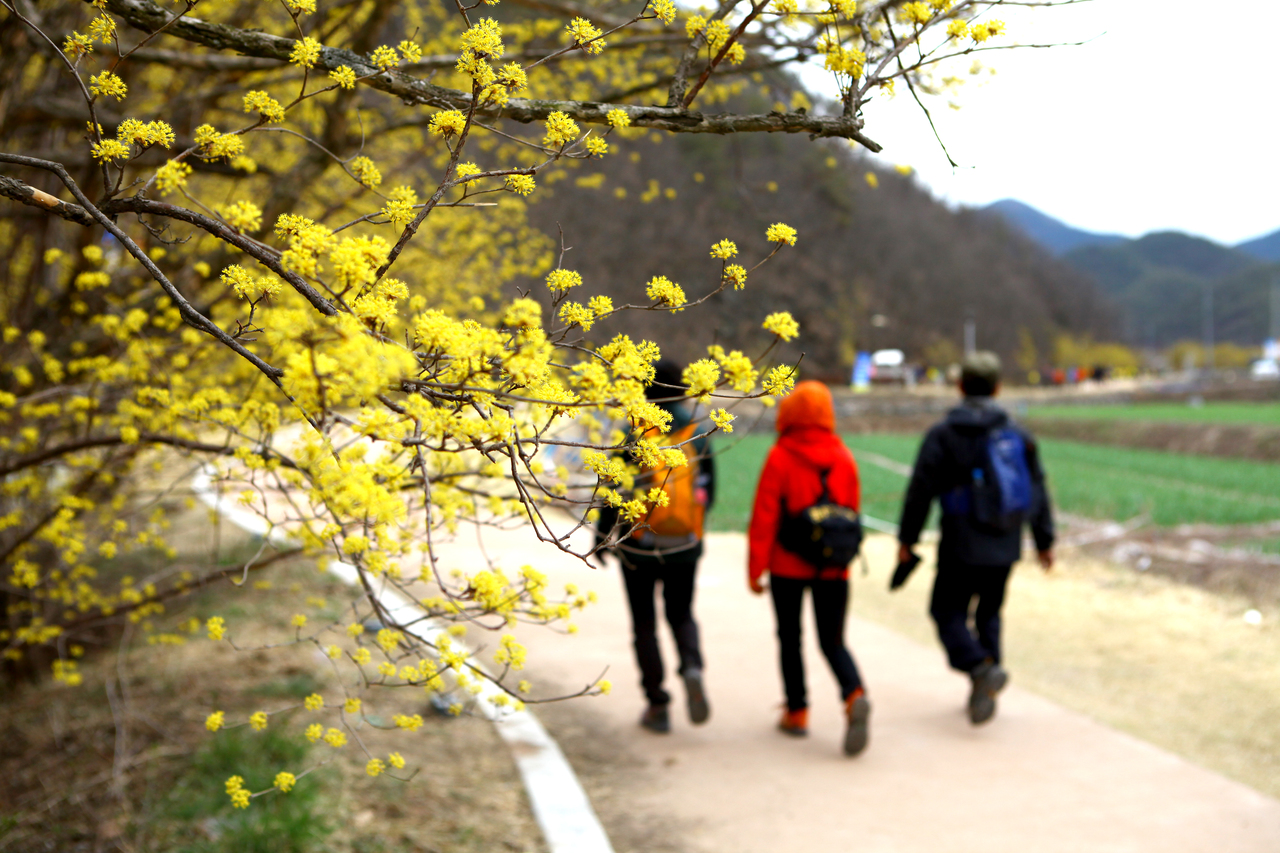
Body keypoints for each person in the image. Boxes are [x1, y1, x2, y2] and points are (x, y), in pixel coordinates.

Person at [892, 351, 1055, 725]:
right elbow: (1039, 491)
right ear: (998, 388)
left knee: (946, 611)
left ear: (960, 386)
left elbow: (921, 490)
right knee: (989, 614)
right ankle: (986, 685)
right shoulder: (1018, 435)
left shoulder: (944, 435)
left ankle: (980, 671)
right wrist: (1044, 542)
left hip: (960, 543)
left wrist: (907, 539)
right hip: (1006, 543)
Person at [747, 381, 870, 756]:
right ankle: (854, 695)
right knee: (833, 641)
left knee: (790, 638)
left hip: (788, 565)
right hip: (834, 567)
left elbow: (765, 517)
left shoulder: (780, 456)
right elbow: (850, 511)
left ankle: (797, 712)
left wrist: (756, 569)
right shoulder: (844, 457)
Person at [595, 359, 716, 734]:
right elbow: (709, 493)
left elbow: (613, 491)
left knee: (644, 624)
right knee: (681, 614)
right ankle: (692, 667)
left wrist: (603, 536)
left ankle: (657, 705)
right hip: (684, 545)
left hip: (639, 545)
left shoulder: (634, 433)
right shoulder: (697, 432)